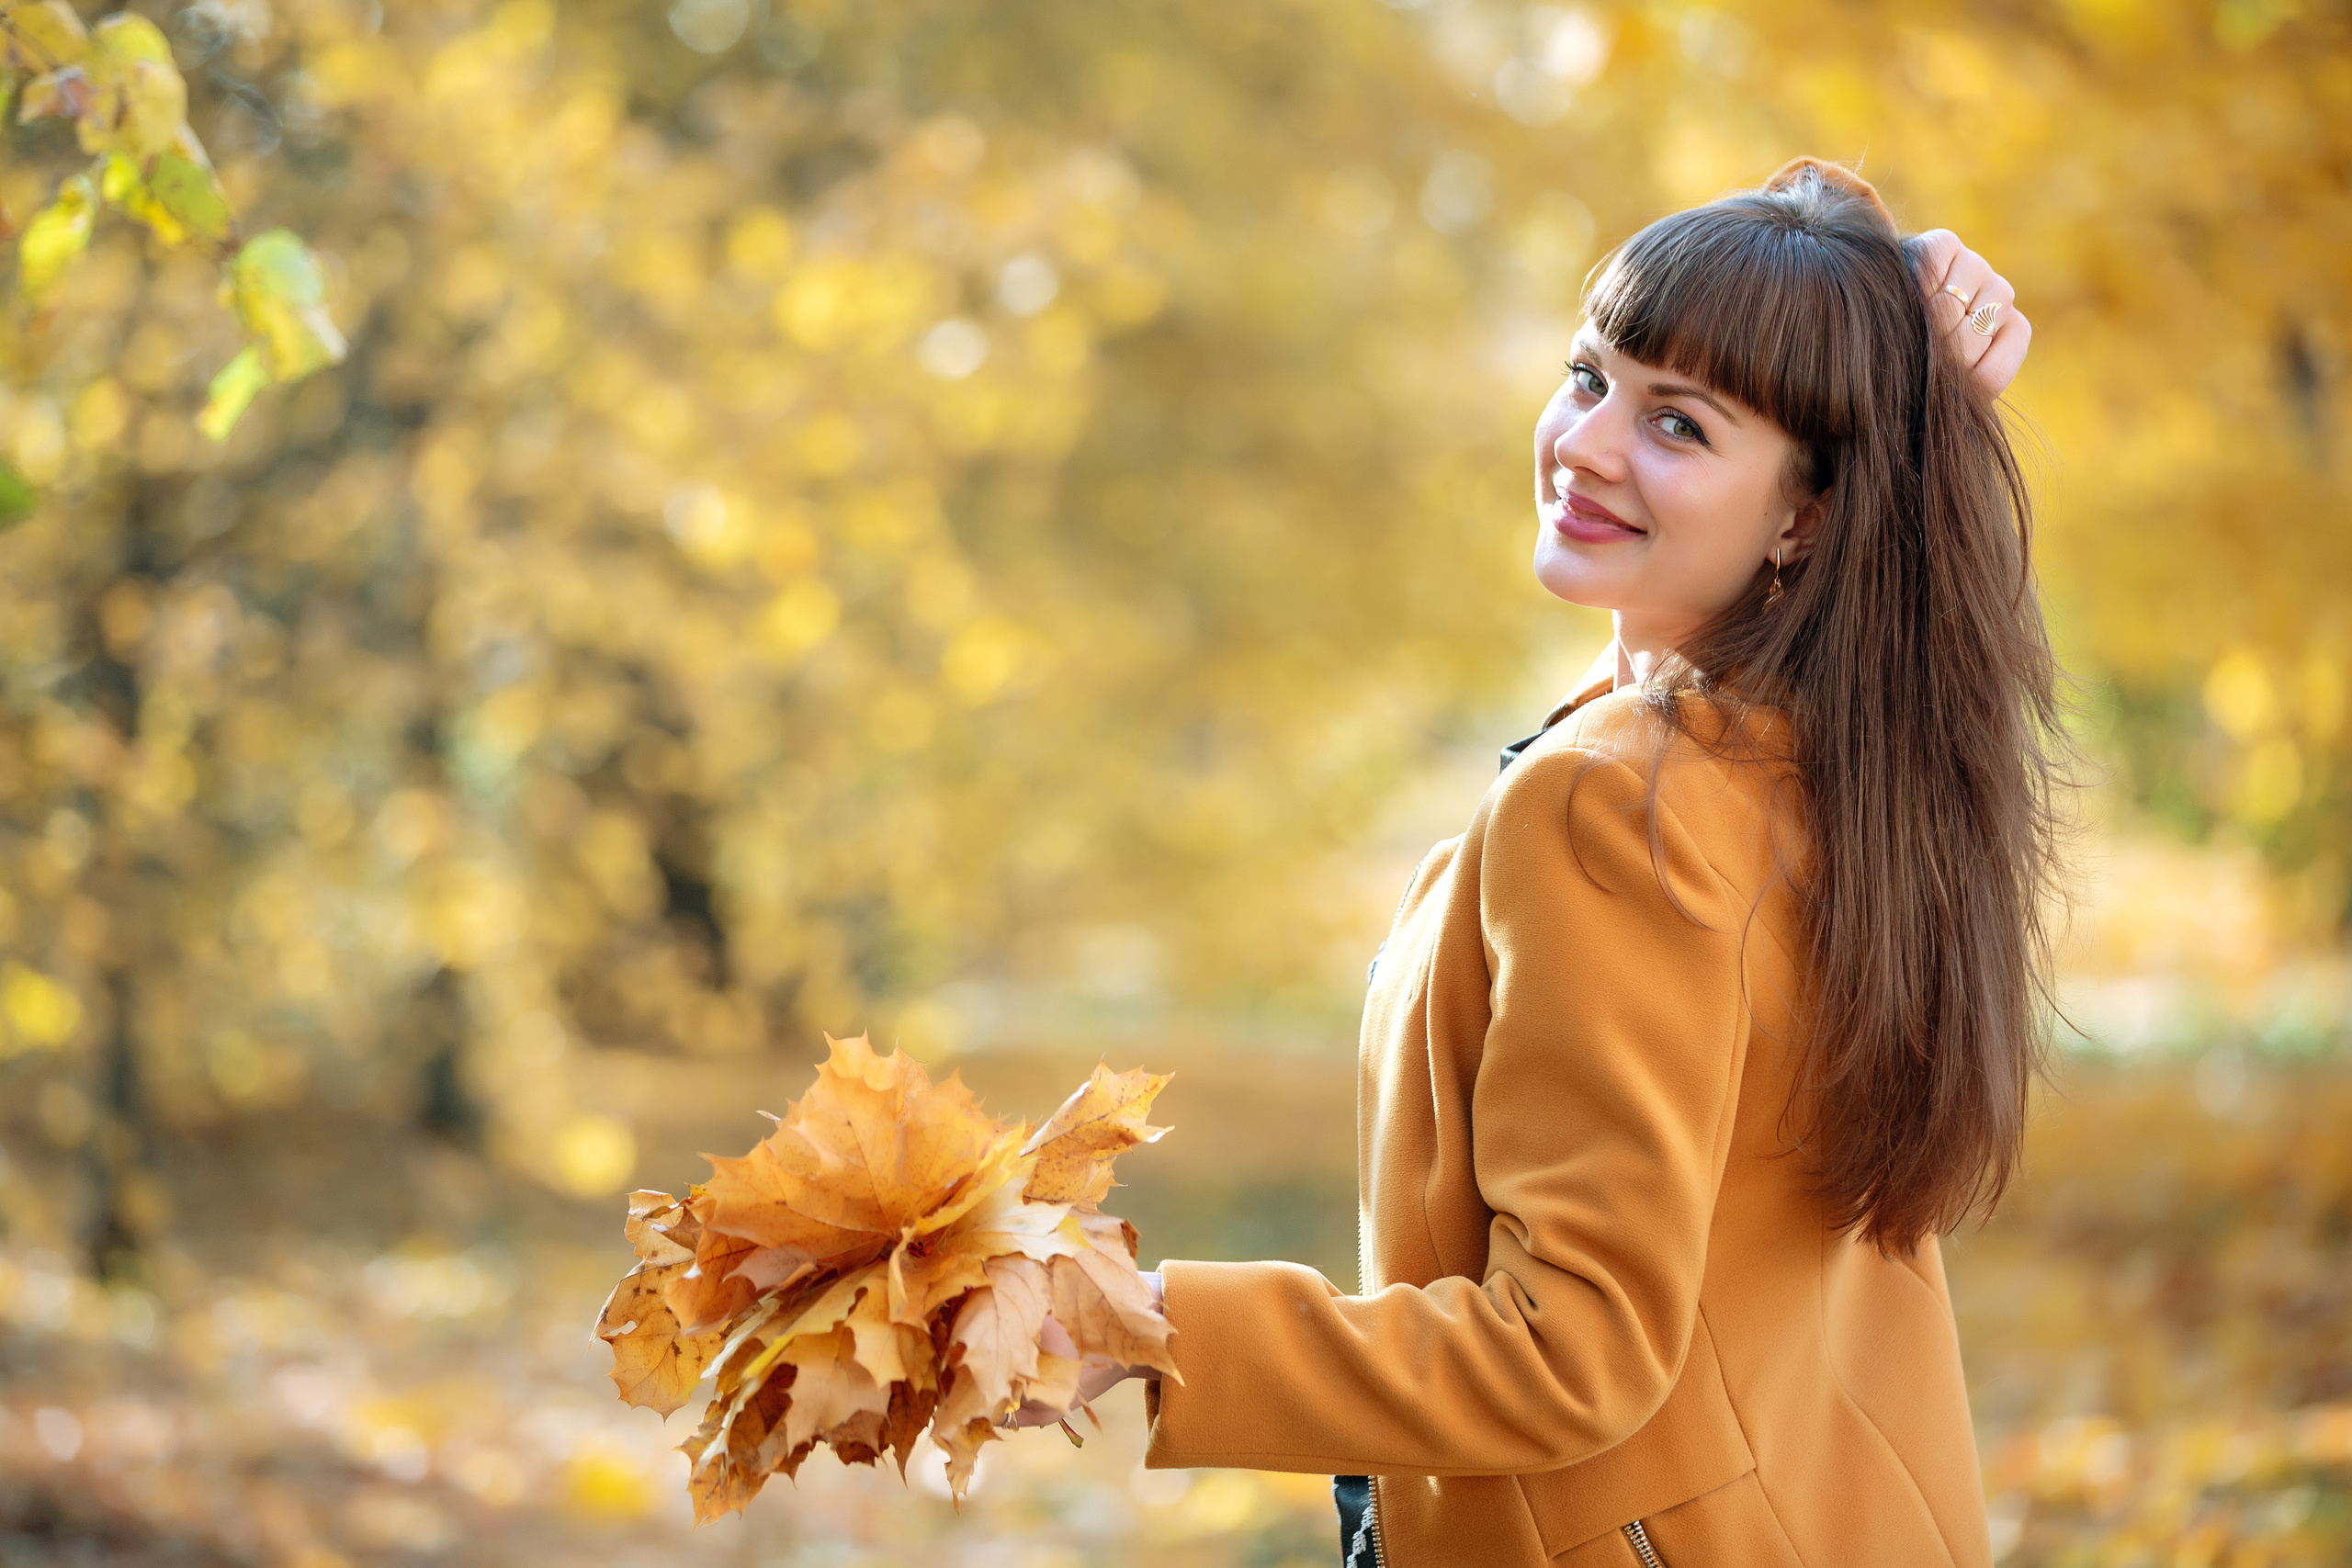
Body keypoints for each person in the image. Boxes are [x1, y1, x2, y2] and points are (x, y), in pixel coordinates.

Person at [1025, 158, 2059, 1567]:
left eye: (1678, 426)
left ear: (1809, 516)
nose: (1586, 443)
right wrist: (1885, 308)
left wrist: (1137, 1327)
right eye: (1591, 377)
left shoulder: (1614, 807)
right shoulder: (1837, 756)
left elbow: (1566, 1351)